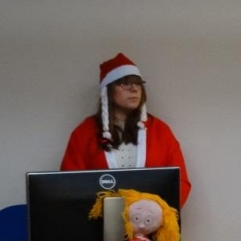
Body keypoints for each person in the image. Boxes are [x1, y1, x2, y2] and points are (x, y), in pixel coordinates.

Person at [60, 53, 192, 208]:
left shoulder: (160, 131)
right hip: (97, 220)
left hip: (151, 220)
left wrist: (157, 213)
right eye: (125, 83)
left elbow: (180, 182)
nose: (134, 89)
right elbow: (69, 184)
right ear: (108, 90)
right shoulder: (84, 133)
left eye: (138, 83)